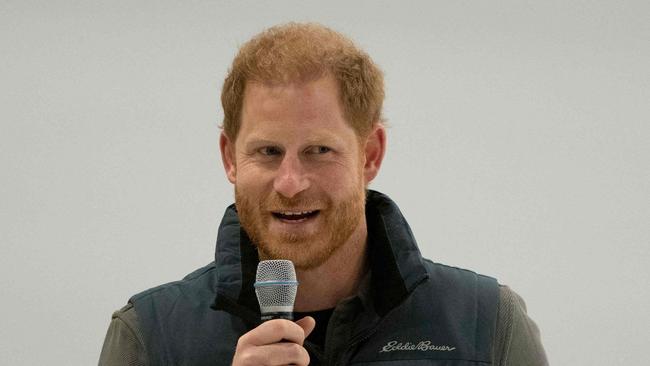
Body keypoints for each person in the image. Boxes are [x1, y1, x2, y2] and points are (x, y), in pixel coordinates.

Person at [99, 22, 548, 366]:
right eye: (268, 151)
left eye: (319, 150)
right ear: (230, 157)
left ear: (370, 154)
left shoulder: (487, 326)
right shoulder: (149, 337)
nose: (291, 182)